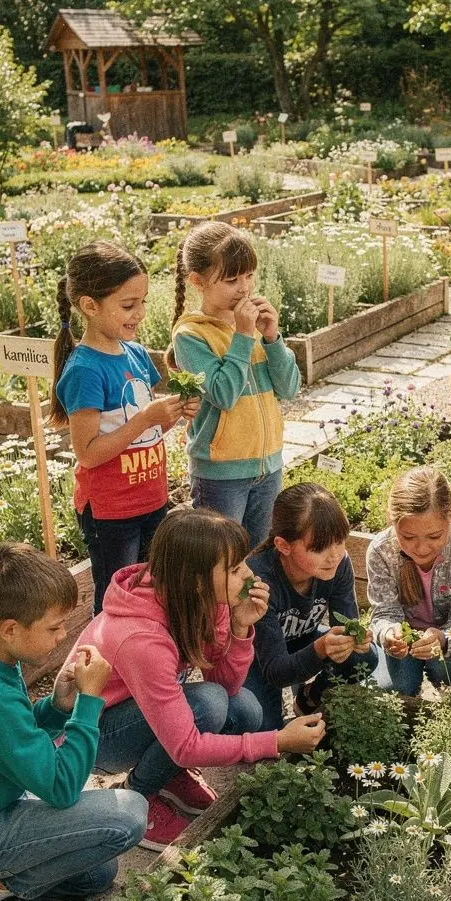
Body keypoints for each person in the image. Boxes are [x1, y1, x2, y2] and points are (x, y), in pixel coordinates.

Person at [73, 505, 325, 849]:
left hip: (141, 714)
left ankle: (169, 775)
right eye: (235, 568)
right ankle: (138, 795)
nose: (248, 575)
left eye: (243, 563)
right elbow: (187, 744)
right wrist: (277, 741)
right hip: (93, 737)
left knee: (243, 708)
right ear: (196, 579)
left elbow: (226, 686)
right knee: (208, 705)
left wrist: (240, 627)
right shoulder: (141, 639)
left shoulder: (205, 598)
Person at [0, 543, 147, 901]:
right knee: (127, 816)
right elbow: (62, 787)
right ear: (10, 628)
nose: (63, 636)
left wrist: (58, 706)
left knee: (97, 874)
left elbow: (8, 737)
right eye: (54, 628)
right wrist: (89, 703)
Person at [51, 241, 200, 614]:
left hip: (151, 497)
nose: (141, 313)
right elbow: (88, 453)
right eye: (129, 305)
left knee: (151, 589)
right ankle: (106, 652)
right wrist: (146, 418)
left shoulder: (135, 353)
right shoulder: (85, 370)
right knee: (115, 598)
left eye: (143, 302)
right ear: (90, 306)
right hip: (111, 510)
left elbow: (145, 432)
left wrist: (172, 413)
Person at [170, 220, 301, 547]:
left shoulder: (254, 325)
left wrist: (272, 338)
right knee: (222, 559)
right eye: (231, 280)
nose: (244, 288)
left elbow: (289, 388)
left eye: (249, 276)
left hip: (268, 467)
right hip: (220, 475)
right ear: (197, 281)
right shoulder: (191, 335)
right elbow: (224, 394)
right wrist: (243, 336)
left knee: (259, 558)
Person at [244, 483, 377, 730]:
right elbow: (275, 671)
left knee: (364, 656)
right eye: (319, 548)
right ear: (284, 546)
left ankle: (310, 697)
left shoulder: (338, 564)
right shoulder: (259, 580)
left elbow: (347, 625)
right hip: (257, 658)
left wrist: (354, 639)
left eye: (340, 541)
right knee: (266, 729)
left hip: (302, 639)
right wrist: (321, 648)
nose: (334, 555)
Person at [367, 466, 451, 698]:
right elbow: (383, 613)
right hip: (404, 643)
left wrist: (443, 639)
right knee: (393, 689)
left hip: (445, 640)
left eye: (434, 536)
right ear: (392, 521)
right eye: (408, 537)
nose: (421, 548)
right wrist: (389, 634)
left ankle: (448, 694)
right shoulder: (382, 550)